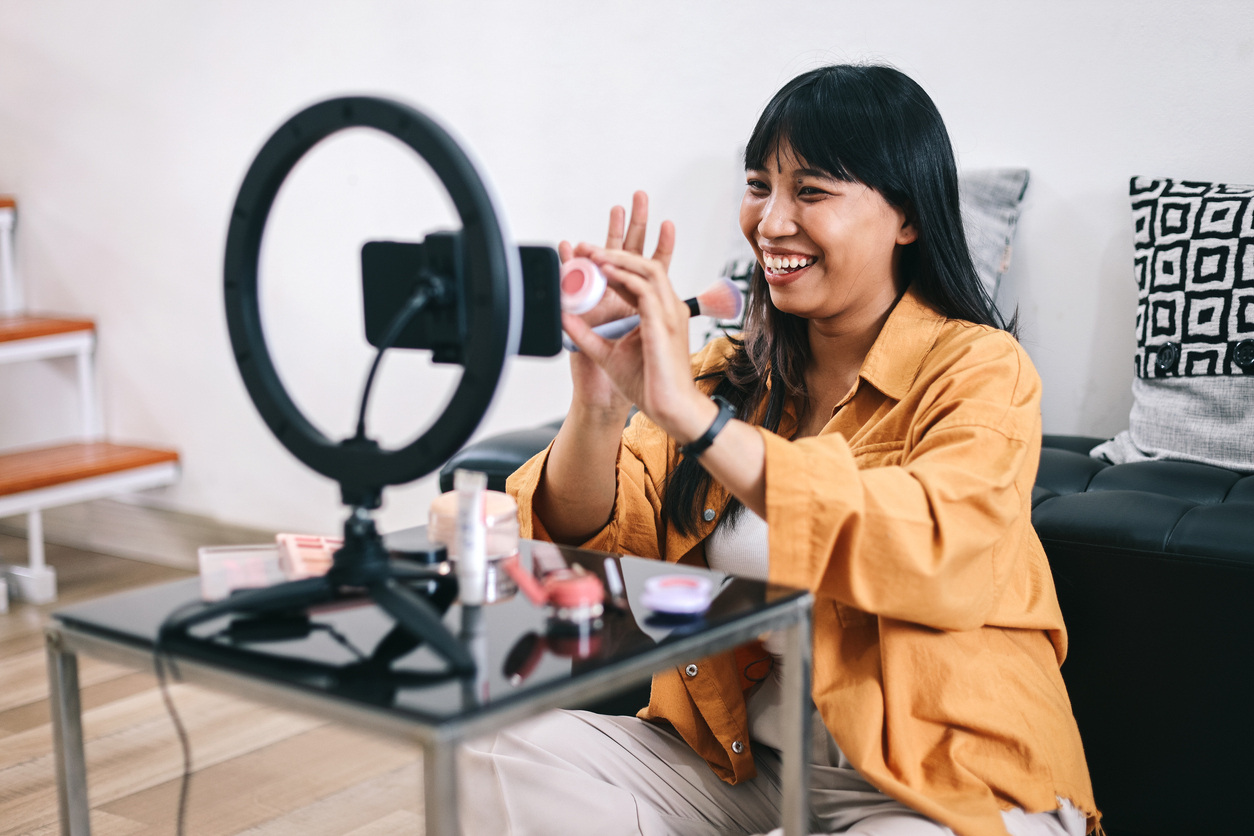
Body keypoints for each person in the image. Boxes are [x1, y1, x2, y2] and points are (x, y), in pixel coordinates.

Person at [462, 64, 1100, 836]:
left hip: (938, 781)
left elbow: (926, 544)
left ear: (906, 218)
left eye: (812, 191)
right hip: (749, 771)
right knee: (498, 747)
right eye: (760, 184)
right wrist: (599, 405)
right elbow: (578, 546)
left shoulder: (981, 370)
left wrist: (697, 423)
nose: (770, 221)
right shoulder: (730, 376)